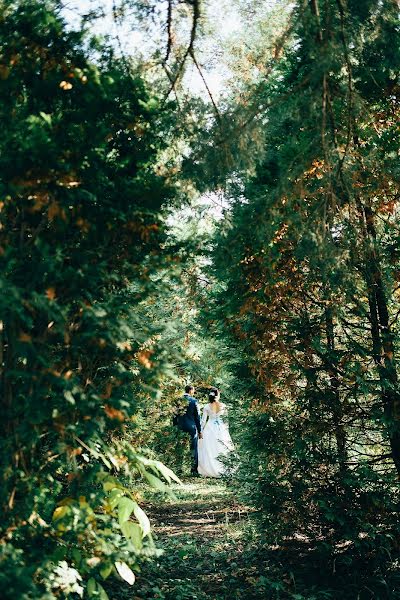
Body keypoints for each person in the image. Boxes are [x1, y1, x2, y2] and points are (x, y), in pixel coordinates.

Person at [198, 388, 234, 478]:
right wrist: (226, 429)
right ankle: (225, 468)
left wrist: (200, 431)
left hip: (210, 428)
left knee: (210, 447)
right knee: (223, 447)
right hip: (221, 428)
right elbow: (226, 420)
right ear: (218, 395)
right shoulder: (223, 405)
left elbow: (203, 421)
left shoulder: (207, 407)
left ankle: (209, 469)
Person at [176, 385, 202, 477]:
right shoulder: (194, 401)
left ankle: (178, 469)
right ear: (191, 391)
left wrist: (175, 427)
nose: (194, 392)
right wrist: (200, 430)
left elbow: (174, 415)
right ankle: (193, 470)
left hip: (180, 426)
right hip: (192, 427)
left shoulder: (178, 400)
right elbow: (197, 417)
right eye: (194, 390)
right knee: (193, 448)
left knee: (180, 447)